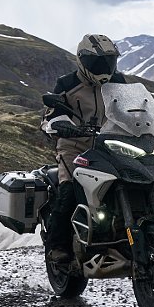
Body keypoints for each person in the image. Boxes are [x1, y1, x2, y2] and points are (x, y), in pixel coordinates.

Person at [40, 34, 127, 264]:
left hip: (109, 146)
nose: (104, 68)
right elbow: (51, 114)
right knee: (69, 190)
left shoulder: (118, 82)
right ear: (83, 61)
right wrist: (61, 124)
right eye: (98, 63)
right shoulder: (67, 84)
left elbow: (134, 108)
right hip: (74, 147)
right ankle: (57, 247)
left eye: (108, 62)